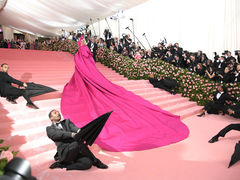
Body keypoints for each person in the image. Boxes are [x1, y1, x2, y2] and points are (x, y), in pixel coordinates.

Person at [60, 36, 189, 152]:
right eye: (82, 42)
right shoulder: (85, 53)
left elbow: (83, 67)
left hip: (86, 78)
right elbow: (90, 66)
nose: (84, 43)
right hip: (89, 77)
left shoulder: (80, 54)